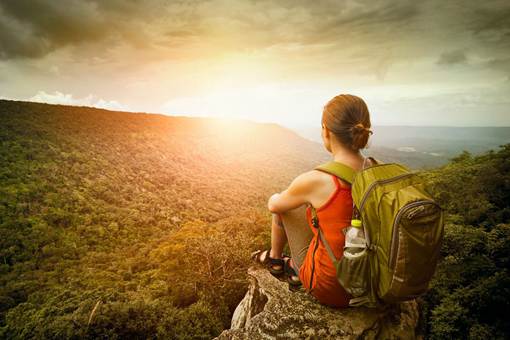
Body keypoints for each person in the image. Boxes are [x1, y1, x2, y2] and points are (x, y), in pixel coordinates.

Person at [251, 94, 376, 307]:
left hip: (334, 290)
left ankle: (276, 262)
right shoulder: (377, 169)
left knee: (284, 204)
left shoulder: (318, 180)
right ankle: (289, 265)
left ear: (326, 131)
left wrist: (276, 196)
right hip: (372, 282)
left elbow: (275, 205)